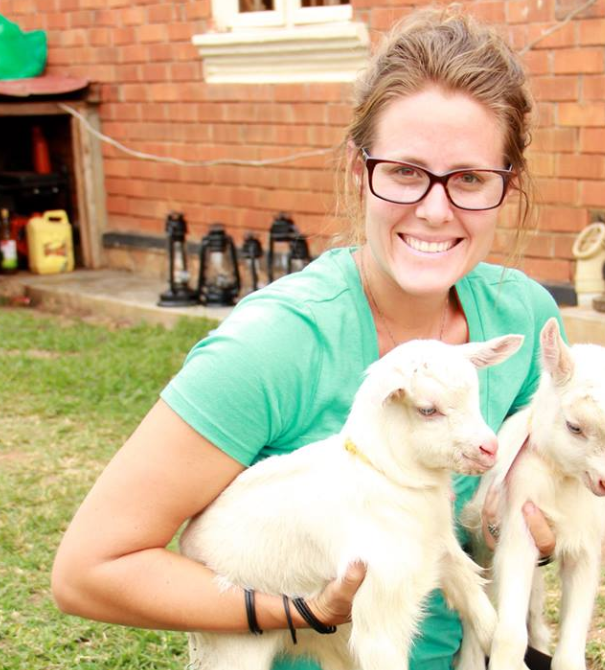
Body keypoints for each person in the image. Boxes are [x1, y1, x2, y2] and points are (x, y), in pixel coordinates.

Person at [52, 7, 563, 670]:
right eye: (405, 171)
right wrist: (304, 612)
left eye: (469, 179)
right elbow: (89, 570)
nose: (436, 210)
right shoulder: (272, 347)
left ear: (507, 187)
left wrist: (516, 528)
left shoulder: (522, 319)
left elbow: (510, 505)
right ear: (359, 170)